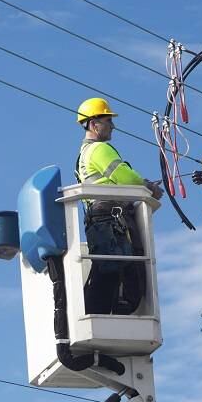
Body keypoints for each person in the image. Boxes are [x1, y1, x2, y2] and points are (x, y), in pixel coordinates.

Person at [74, 97, 163, 315]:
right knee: (122, 270)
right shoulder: (99, 149)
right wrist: (148, 187)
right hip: (111, 218)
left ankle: (100, 314)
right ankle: (108, 313)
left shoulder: (83, 155)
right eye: (108, 121)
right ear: (94, 124)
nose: (112, 126)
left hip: (100, 220)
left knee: (108, 272)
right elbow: (125, 177)